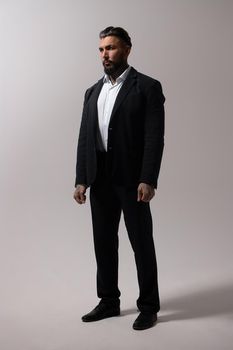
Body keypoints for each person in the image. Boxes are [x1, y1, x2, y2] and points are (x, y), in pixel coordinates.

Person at [73, 26, 165, 330]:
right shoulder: (92, 91)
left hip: (131, 179)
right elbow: (85, 138)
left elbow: (154, 138)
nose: (105, 54)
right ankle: (109, 302)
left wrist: (148, 178)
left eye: (110, 48)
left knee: (141, 242)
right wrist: (81, 179)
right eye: (101, 49)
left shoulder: (147, 87)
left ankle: (149, 306)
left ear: (127, 49)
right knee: (103, 243)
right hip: (99, 178)